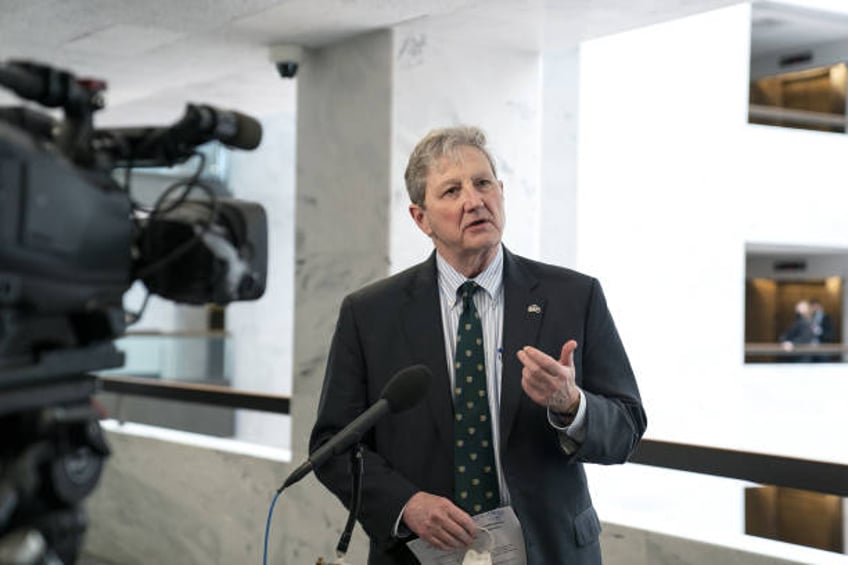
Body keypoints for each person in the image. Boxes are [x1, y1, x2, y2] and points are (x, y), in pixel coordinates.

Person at [309, 126, 647, 564]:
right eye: (451, 190)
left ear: (501, 193)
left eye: (483, 183)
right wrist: (405, 505)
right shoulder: (371, 314)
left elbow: (627, 426)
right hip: (423, 554)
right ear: (420, 218)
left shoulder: (573, 297)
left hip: (551, 551)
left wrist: (572, 405)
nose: (474, 200)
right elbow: (333, 445)